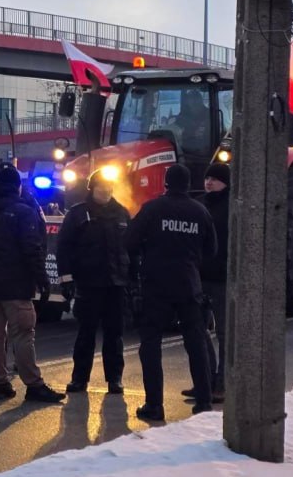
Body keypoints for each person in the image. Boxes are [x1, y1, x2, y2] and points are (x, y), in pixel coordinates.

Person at [0, 163, 65, 403]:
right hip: (16, 285)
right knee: (23, 334)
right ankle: (33, 384)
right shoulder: (24, 211)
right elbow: (33, 249)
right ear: (17, 187)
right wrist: (43, 281)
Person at [125, 163, 216, 421]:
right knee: (196, 343)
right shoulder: (200, 211)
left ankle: (155, 405)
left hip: (156, 285)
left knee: (151, 345)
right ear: (188, 184)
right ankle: (204, 401)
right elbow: (212, 250)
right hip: (189, 285)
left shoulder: (153, 209)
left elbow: (129, 242)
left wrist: (145, 257)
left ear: (166, 182)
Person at [57, 170, 130, 395]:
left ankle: (115, 379)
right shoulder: (78, 215)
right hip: (88, 284)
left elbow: (133, 248)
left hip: (116, 284)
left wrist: (133, 278)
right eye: (101, 189)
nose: (106, 193)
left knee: (114, 335)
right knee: (86, 334)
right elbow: (64, 248)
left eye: (109, 189)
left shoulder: (122, 214)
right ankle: (79, 379)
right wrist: (67, 279)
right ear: (92, 189)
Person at [191, 163, 230, 403]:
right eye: (207, 178)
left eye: (215, 179)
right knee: (198, 330)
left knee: (225, 333)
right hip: (199, 276)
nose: (209, 182)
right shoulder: (200, 205)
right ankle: (205, 379)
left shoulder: (232, 207)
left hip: (223, 278)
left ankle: (223, 383)